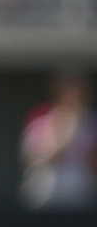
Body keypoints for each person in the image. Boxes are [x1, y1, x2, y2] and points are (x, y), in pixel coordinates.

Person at [20, 68, 97, 208]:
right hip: (47, 196)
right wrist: (66, 133)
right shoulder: (42, 119)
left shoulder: (92, 123)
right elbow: (34, 158)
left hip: (83, 197)